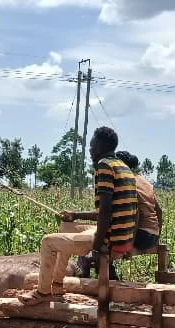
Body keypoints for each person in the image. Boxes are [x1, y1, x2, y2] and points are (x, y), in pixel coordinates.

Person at [20, 127, 137, 304]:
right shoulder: (123, 167)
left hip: (110, 239)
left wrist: (98, 246)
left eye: (92, 145)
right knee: (66, 227)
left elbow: (105, 210)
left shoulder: (104, 166)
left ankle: (43, 293)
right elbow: (112, 211)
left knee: (48, 242)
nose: (90, 149)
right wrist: (74, 215)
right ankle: (57, 285)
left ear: (101, 145)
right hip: (121, 236)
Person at [76, 150, 160, 279]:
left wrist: (129, 243)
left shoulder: (125, 181)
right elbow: (159, 211)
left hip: (138, 236)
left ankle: (89, 274)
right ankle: (109, 274)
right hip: (151, 236)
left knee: (93, 238)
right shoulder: (145, 182)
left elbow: (129, 214)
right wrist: (157, 236)